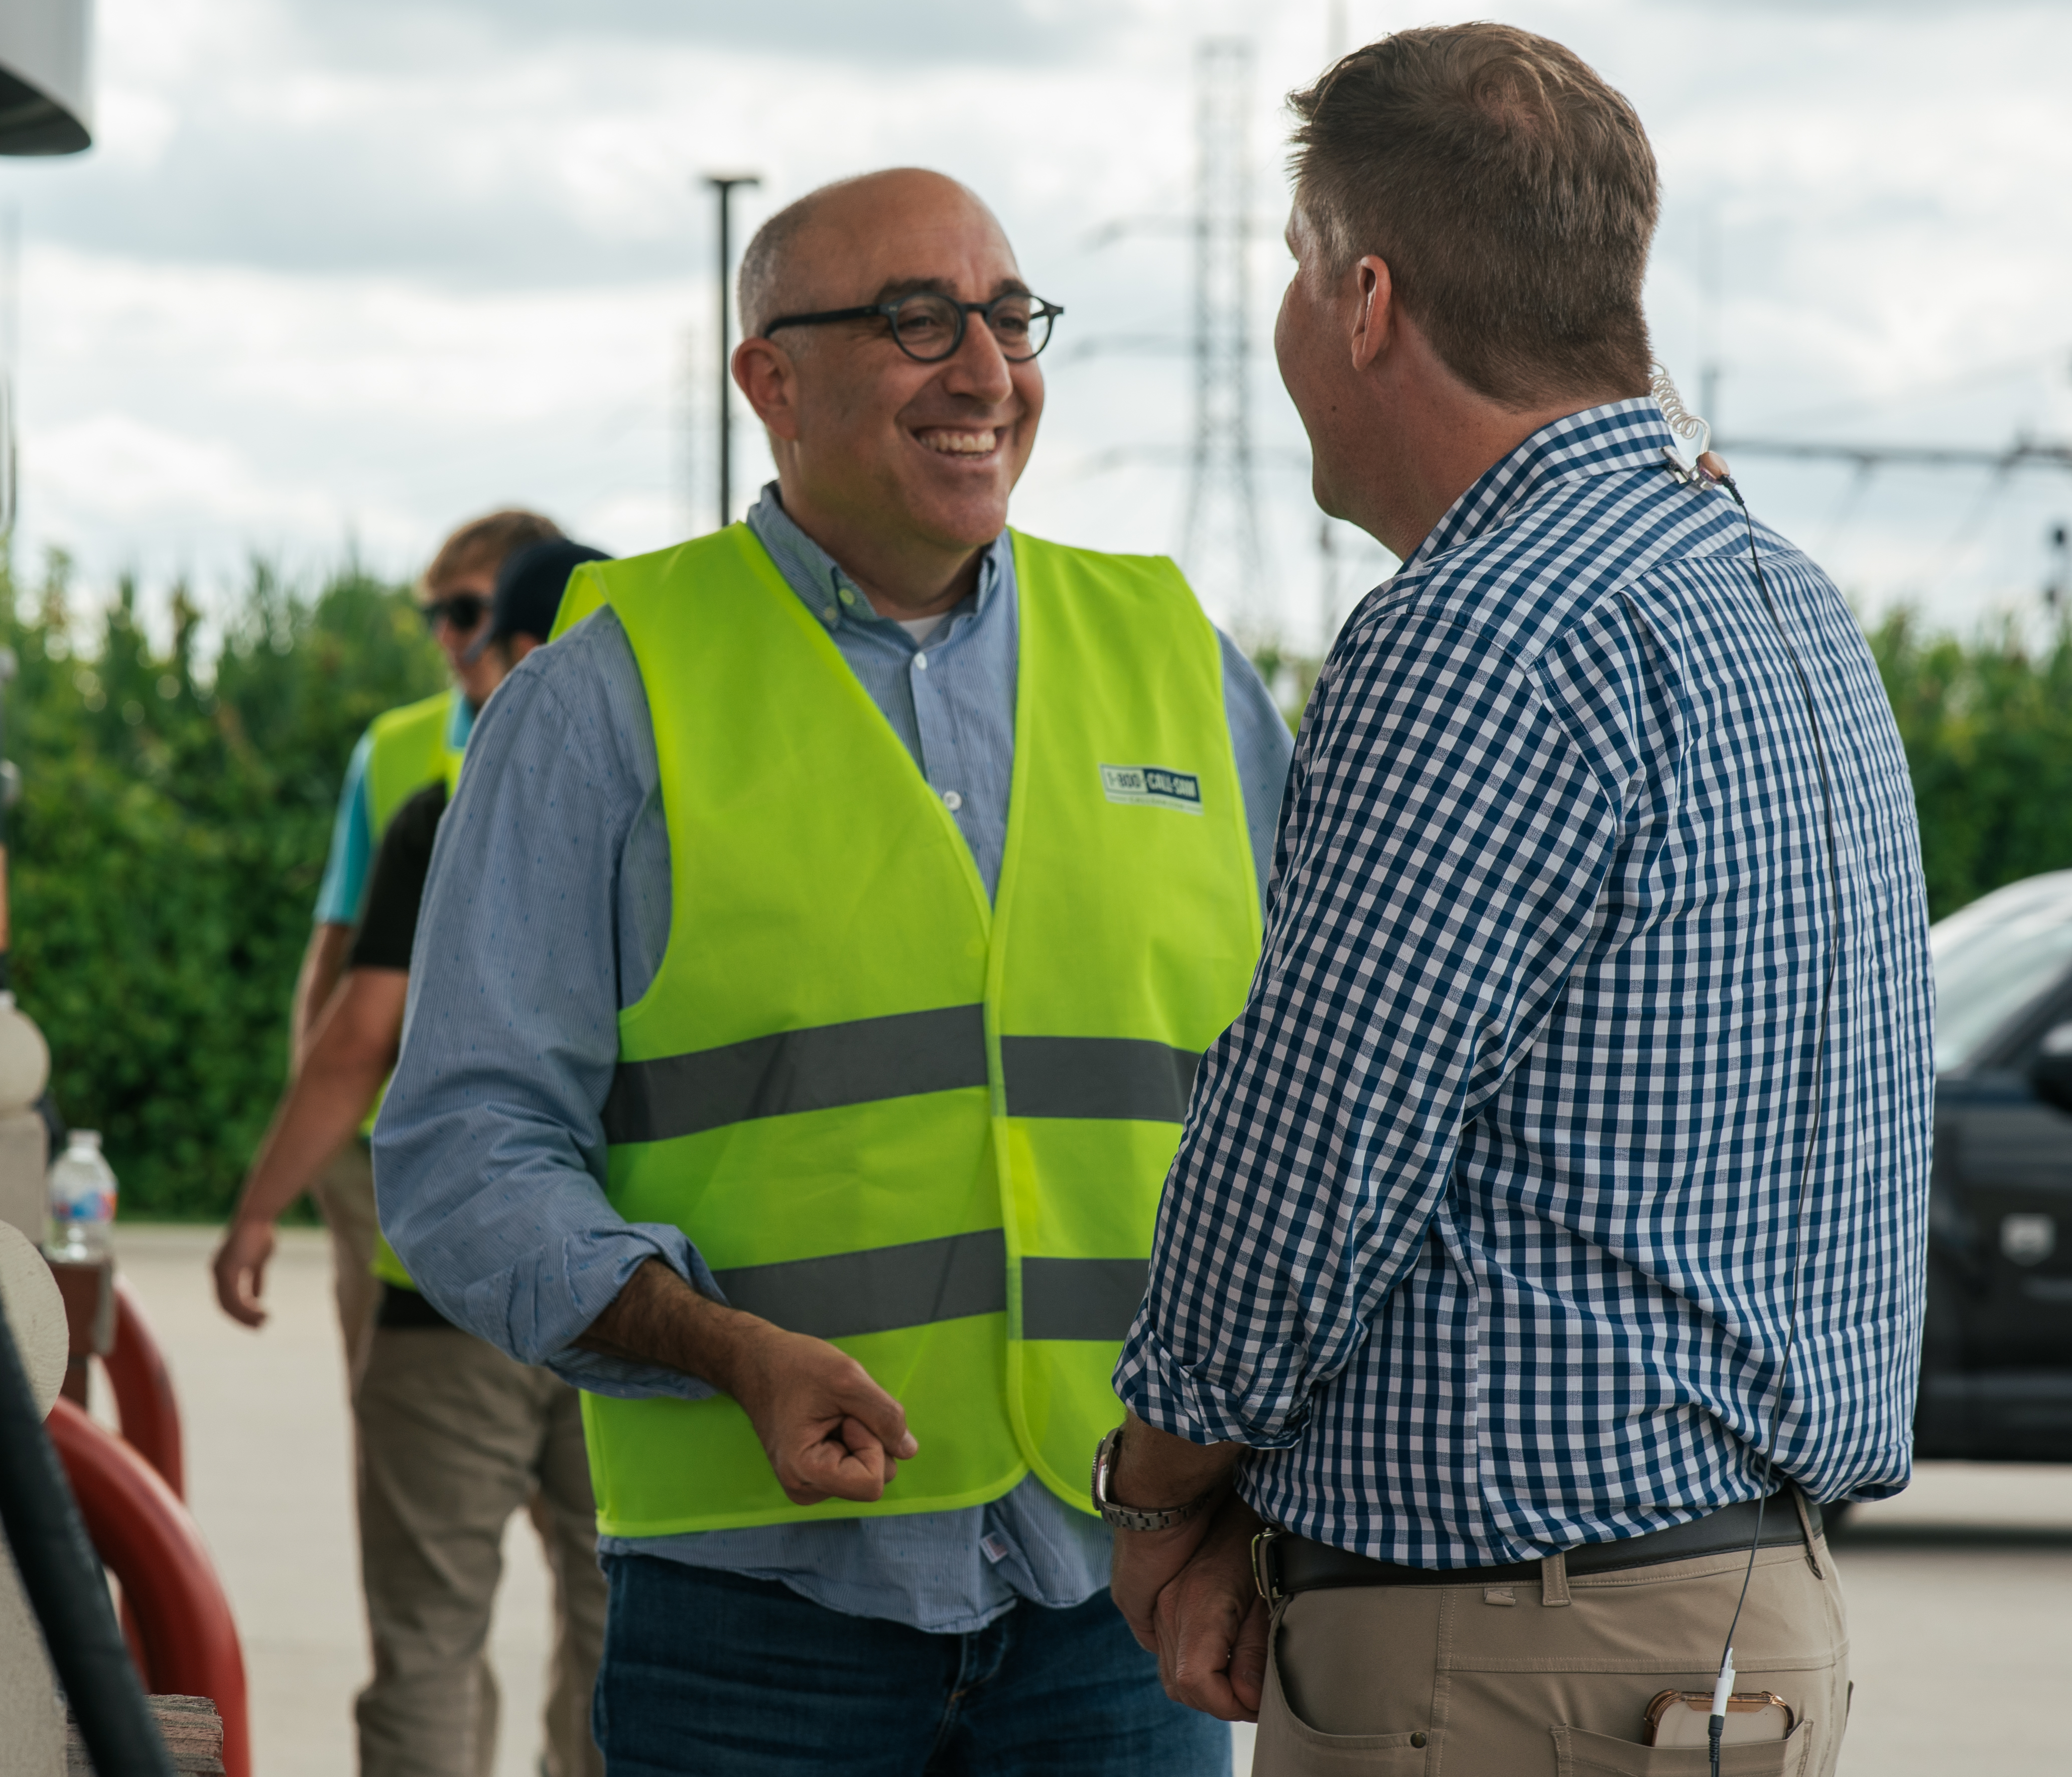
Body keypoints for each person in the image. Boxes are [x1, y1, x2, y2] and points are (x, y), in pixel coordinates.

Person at [372, 167, 1294, 1776]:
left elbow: (1305, 1102)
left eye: (1009, 318)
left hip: (1117, 1602)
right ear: (768, 381)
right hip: (753, 1626)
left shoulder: (1175, 658)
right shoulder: (602, 702)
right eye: (916, 320)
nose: (985, 371)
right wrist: (722, 1347)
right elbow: (461, 1155)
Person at [1099, 24, 1934, 1775]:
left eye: (1290, 271)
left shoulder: (1478, 632)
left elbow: (1316, 1140)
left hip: (1511, 1653)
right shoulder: (1780, 605)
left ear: (1366, 298)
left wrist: (1161, 1480)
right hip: (1729, 1613)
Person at [213, 539, 614, 1777]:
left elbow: (355, 1040)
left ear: (518, 653)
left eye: (479, 630)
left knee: (430, 1636)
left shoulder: (447, 802)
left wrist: (255, 1211)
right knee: (622, 1637)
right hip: (644, 1303)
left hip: (453, 1291)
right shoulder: (710, 799)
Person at [294, 507, 562, 1379]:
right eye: (434, 615)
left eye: (469, 610)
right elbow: (336, 943)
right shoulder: (396, 749)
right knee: (403, 1405)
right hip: (391, 1145)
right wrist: (318, 1114)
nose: (449, 636)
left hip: (553, 1139)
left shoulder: (609, 733)